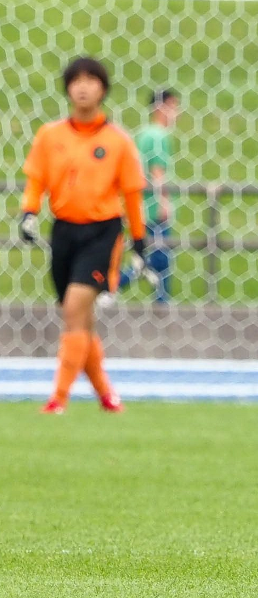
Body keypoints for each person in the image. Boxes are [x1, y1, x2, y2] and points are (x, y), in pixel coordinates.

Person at [19, 57, 151, 415]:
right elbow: (37, 180)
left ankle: (57, 399)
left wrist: (140, 241)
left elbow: (133, 194)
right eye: (76, 80)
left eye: (91, 80)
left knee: (75, 309)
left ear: (103, 89)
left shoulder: (118, 142)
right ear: (67, 88)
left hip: (102, 233)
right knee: (80, 319)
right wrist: (28, 212)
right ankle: (108, 397)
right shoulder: (50, 136)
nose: (83, 86)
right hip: (64, 231)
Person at [116, 89, 178, 303]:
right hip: (152, 208)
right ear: (161, 107)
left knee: (146, 258)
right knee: (160, 260)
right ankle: (161, 306)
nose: (177, 113)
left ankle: (109, 288)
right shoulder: (159, 136)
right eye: (174, 107)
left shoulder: (143, 133)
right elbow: (156, 171)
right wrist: (164, 203)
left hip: (140, 207)